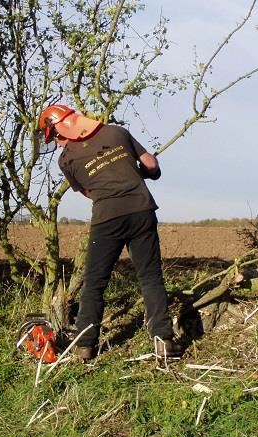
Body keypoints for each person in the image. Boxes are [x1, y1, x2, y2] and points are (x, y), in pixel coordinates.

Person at [38, 104, 184, 361]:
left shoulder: (66, 160)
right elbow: (150, 164)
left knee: (94, 283)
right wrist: (142, 172)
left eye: (57, 138)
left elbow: (89, 193)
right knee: (150, 277)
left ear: (61, 130)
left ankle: (84, 347)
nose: (59, 144)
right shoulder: (117, 132)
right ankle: (163, 342)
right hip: (142, 209)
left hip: (107, 218)